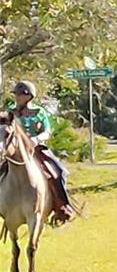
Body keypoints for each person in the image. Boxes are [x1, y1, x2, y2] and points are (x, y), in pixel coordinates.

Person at [5, 81, 75, 224]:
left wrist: (36, 139)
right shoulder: (10, 111)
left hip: (37, 150)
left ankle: (62, 207)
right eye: (16, 94)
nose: (17, 97)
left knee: (59, 172)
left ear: (29, 96)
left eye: (20, 94)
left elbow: (47, 131)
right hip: (15, 151)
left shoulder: (39, 112)